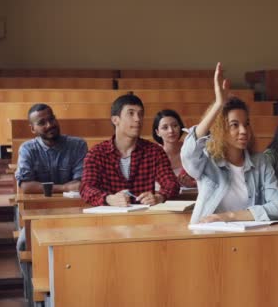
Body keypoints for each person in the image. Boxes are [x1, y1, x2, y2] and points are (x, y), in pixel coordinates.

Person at [181, 62, 278, 223]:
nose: (243, 130)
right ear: (220, 129)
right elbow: (188, 153)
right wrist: (218, 105)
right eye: (234, 125)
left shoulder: (261, 162)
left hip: (248, 237)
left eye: (246, 123)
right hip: (210, 236)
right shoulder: (208, 162)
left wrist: (229, 216)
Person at [80, 94, 179, 206]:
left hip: (146, 217)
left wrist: (159, 197)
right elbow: (86, 188)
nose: (138, 119)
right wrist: (109, 199)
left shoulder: (155, 152)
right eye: (131, 113)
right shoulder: (97, 153)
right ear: (115, 120)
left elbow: (172, 183)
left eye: (140, 114)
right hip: (110, 218)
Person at [14, 103, 87, 251]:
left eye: (51, 119)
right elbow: (26, 186)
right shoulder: (27, 149)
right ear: (33, 129)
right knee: (23, 244)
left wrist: (44, 188)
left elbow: (80, 183)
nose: (49, 125)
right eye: (42, 123)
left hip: (72, 212)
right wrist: (65, 187)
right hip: (38, 213)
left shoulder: (78, 145)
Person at [152, 109, 196, 188]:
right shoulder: (152, 154)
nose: (171, 131)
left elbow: (209, 181)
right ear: (157, 132)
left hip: (189, 197)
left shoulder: (191, 150)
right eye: (165, 128)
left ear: (180, 127)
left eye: (175, 126)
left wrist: (193, 184)